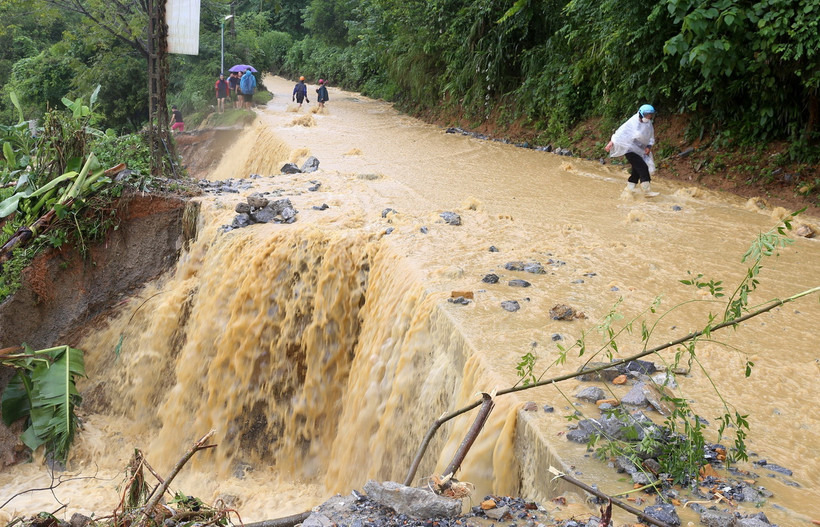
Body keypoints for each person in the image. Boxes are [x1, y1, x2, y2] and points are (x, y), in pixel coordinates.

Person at [605, 104, 659, 196]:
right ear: (641, 114)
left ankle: (629, 190)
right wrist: (611, 142)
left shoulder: (648, 124)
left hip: (640, 150)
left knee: (636, 170)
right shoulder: (633, 122)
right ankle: (647, 191)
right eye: (647, 114)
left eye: (651, 114)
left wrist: (648, 147)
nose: (649, 116)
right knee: (643, 167)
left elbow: (650, 136)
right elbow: (621, 132)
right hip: (629, 149)